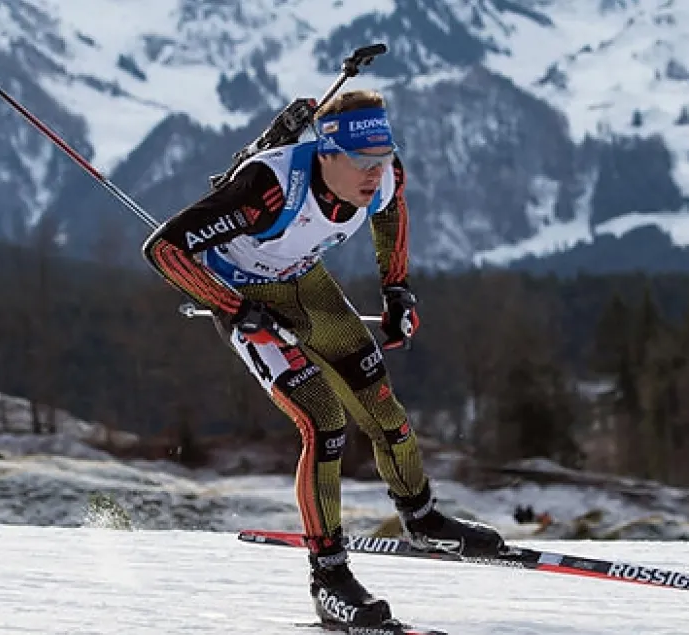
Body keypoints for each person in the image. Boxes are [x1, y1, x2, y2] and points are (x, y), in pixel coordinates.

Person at [141, 90, 505, 628]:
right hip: (242, 296)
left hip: (304, 284)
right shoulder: (267, 189)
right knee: (324, 420)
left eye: (381, 159)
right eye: (361, 162)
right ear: (326, 153)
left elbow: (391, 211)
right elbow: (165, 248)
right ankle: (329, 579)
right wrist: (234, 308)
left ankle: (423, 519)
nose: (374, 174)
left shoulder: (383, 177)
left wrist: (397, 289)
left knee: (382, 406)